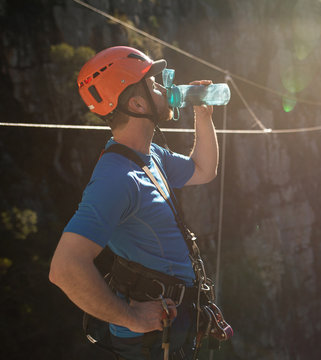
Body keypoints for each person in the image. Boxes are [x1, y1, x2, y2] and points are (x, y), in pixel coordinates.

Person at [49, 46, 218, 359]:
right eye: (153, 85)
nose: (163, 89)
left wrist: (202, 115)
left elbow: (204, 170)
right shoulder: (116, 179)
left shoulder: (149, 155)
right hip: (150, 343)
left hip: (172, 327)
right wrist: (132, 317)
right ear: (138, 103)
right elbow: (64, 268)